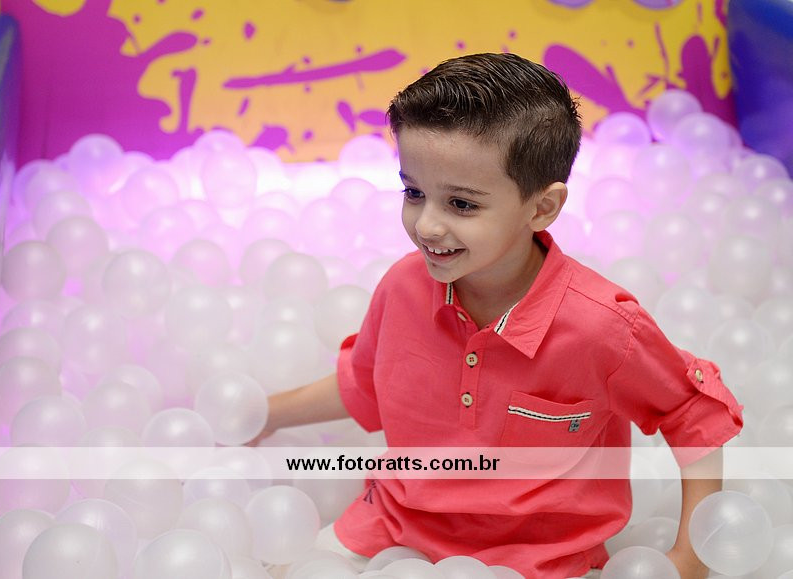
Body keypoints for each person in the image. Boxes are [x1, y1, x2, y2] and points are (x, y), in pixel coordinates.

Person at [251, 53, 743, 578]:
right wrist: (261, 416)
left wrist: (692, 557)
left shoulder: (602, 327)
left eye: (461, 204)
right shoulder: (402, 287)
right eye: (414, 193)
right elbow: (366, 381)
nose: (428, 226)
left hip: (539, 560)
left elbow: (692, 414)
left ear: (542, 208)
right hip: (392, 527)